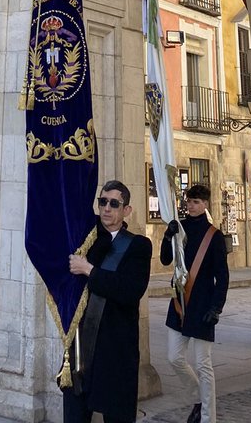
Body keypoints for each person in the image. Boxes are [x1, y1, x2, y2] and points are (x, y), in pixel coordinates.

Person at [64, 179, 152, 423]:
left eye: (114, 203)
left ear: (127, 210)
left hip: (115, 348)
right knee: (74, 414)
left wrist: (89, 270)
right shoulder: (86, 239)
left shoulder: (138, 246)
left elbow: (129, 290)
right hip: (82, 347)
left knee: (116, 416)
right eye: (103, 202)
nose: (107, 208)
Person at [160, 183, 229, 423]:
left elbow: (222, 276)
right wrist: (167, 236)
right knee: (174, 358)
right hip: (179, 303)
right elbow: (165, 259)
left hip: (202, 306)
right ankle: (198, 399)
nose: (191, 206)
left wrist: (216, 307)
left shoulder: (215, 236)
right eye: (189, 201)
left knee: (203, 365)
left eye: (196, 202)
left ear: (206, 204)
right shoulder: (179, 228)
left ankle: (208, 418)